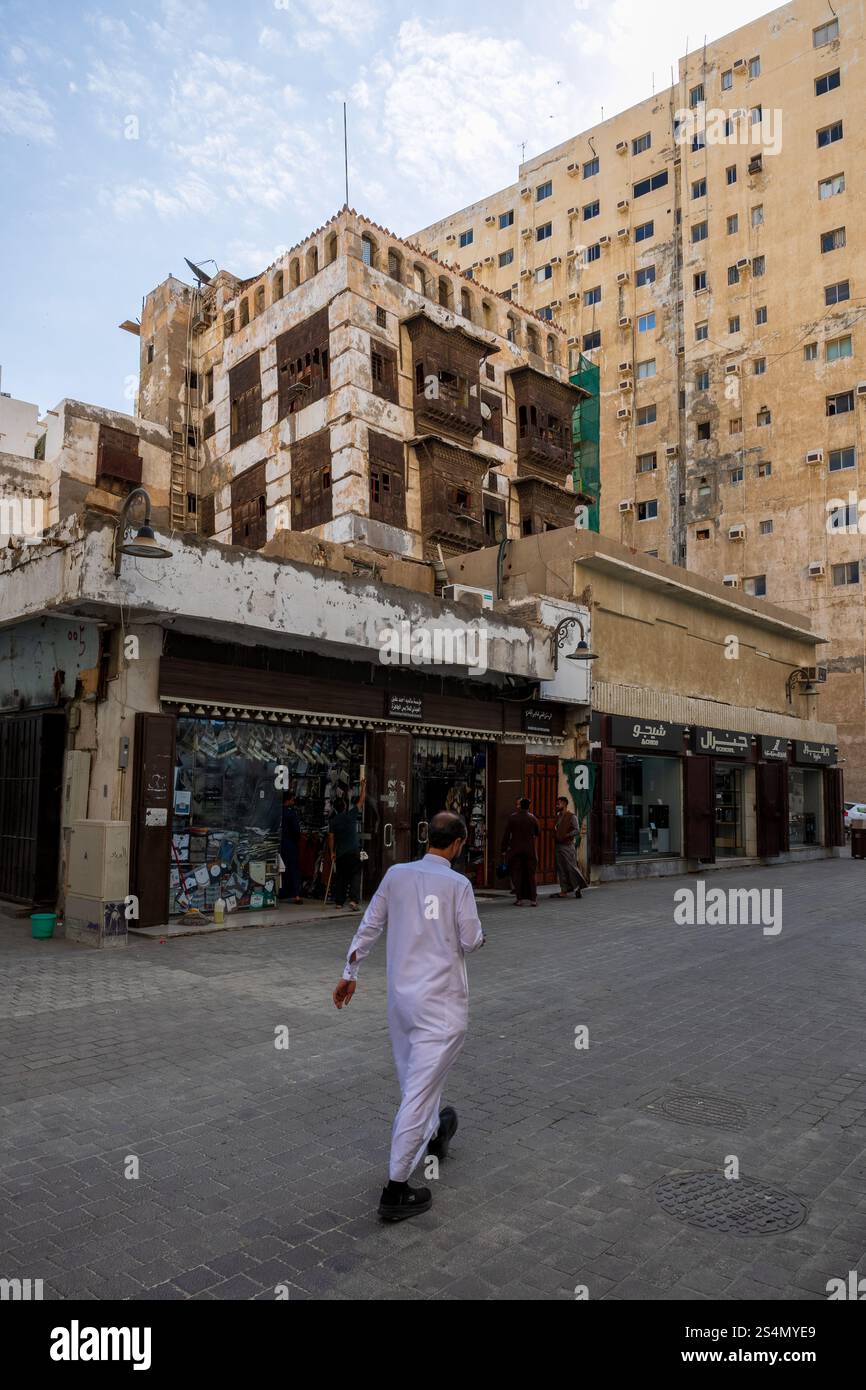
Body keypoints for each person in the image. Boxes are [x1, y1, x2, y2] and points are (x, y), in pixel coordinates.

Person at [332, 811, 485, 1222]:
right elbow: (471, 941)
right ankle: (396, 1188)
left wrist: (350, 973)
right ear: (457, 844)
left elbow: (369, 925)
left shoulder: (396, 875)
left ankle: (437, 1130)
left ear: (427, 838)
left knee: (416, 1080)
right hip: (443, 1006)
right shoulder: (459, 885)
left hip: (402, 1003)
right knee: (418, 1090)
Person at [328, 780, 366, 909]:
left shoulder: (333, 821)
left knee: (341, 877)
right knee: (355, 875)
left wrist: (332, 852)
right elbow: (361, 801)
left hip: (341, 853)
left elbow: (331, 838)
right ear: (344, 806)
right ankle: (353, 901)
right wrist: (363, 786)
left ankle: (339, 902)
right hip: (353, 851)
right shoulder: (351, 815)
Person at [501, 796, 540, 906]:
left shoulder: (512, 818)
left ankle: (519, 899)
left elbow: (506, 835)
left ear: (520, 806)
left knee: (517, 874)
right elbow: (538, 832)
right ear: (528, 807)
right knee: (531, 875)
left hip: (516, 850)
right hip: (530, 850)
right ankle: (533, 899)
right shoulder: (533, 818)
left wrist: (503, 849)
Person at [552, 795, 588, 899]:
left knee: (571, 867)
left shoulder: (572, 816)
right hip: (558, 845)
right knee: (561, 868)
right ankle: (564, 890)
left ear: (564, 804)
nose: (557, 805)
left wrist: (566, 835)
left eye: (558, 803)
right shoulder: (557, 816)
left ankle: (577, 888)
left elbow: (577, 830)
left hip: (567, 846)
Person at [278, 791, 303, 903]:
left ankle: (281, 892)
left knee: (281, 868)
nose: (293, 802)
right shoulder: (291, 813)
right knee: (293, 868)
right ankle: (297, 895)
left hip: (279, 844)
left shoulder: (277, 811)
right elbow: (296, 830)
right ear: (288, 800)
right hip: (290, 844)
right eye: (292, 799)